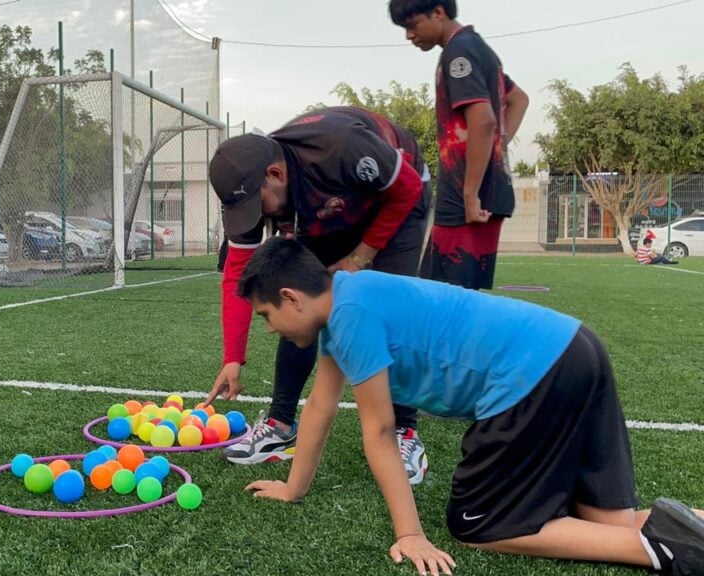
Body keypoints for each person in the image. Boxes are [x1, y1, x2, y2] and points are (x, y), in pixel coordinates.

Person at [238, 237, 704, 576]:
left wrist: (410, 534)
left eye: (266, 317)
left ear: (290, 298)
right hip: (575, 346)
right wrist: (292, 488)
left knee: (478, 524)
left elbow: (380, 431)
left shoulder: (350, 317)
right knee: (610, 522)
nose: (269, 330)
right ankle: (686, 529)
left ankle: (666, 552)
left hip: (531, 374)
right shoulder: (349, 296)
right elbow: (320, 405)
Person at [206, 106, 432, 484]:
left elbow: (405, 188)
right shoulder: (255, 188)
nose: (254, 218)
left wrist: (360, 257)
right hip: (329, 208)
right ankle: (279, 423)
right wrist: (233, 357)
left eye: (256, 206)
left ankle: (404, 430)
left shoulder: (339, 149)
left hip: (398, 193)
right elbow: (236, 276)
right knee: (299, 304)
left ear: (275, 174)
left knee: (393, 310)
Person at [389, 0, 529, 290]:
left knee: (442, 300)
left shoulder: (458, 52)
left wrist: (470, 193)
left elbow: (483, 120)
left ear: (438, 12)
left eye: (412, 25)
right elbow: (518, 100)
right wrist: (494, 148)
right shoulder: (479, 49)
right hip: (482, 192)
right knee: (456, 298)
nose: (409, 36)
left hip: (467, 197)